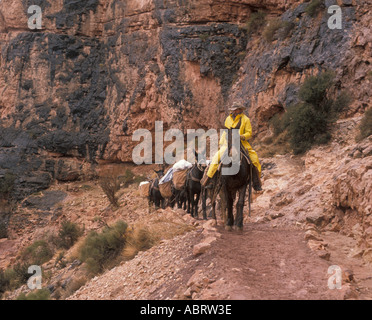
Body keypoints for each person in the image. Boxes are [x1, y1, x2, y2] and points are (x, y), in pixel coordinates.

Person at [201, 102, 262, 191]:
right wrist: (221, 144)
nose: (234, 111)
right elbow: (224, 132)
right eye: (233, 109)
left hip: (241, 143)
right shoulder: (227, 119)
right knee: (216, 158)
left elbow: (249, 133)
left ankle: (256, 182)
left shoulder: (246, 119)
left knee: (254, 159)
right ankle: (210, 180)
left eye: (236, 109)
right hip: (227, 143)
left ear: (240, 110)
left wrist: (241, 136)